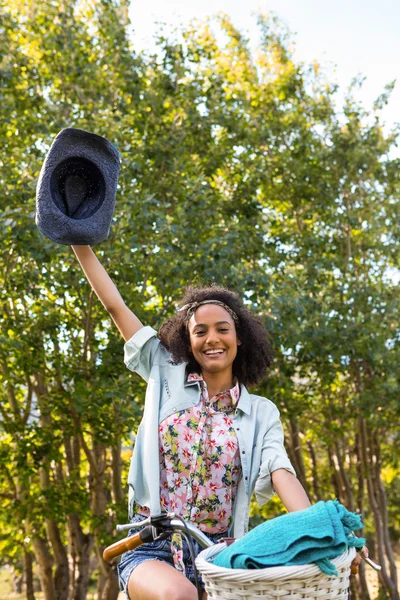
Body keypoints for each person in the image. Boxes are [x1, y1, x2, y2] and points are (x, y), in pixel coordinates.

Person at [72, 245, 365, 600]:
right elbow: (114, 306)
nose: (212, 338)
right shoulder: (164, 373)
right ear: (188, 340)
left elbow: (280, 472)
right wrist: (79, 240)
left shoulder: (261, 412)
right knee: (179, 596)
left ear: (238, 338)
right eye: (200, 332)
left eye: (222, 329)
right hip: (152, 548)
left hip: (223, 555)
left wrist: (320, 531)